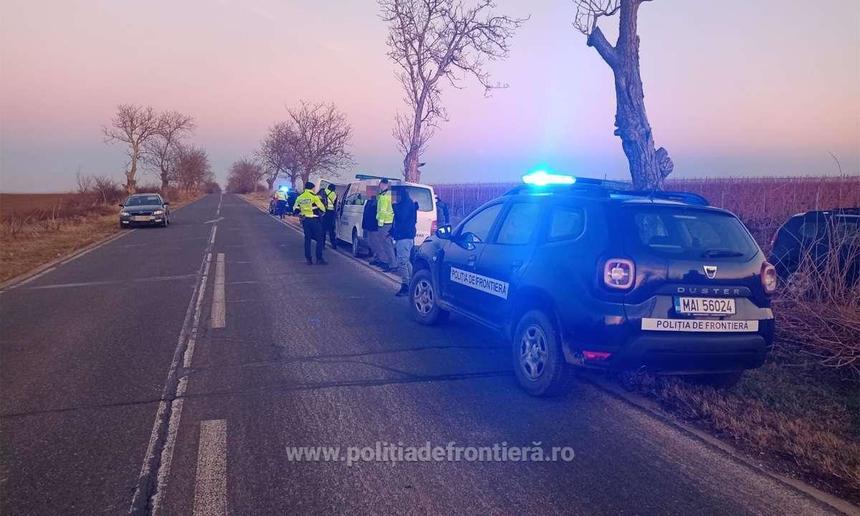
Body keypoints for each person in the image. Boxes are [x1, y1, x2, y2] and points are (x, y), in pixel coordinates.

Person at [293, 181, 328, 265]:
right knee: (320, 239)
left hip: (305, 220)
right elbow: (323, 208)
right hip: (314, 220)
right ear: (312, 188)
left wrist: (302, 212)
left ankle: (308, 259)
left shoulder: (300, 197)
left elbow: (295, 209)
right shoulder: (314, 197)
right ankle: (319, 258)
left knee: (307, 240)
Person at [391, 189, 418, 296]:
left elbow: (401, 218)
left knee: (402, 262)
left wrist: (394, 206)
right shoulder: (408, 204)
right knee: (406, 261)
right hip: (406, 236)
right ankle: (412, 282)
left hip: (404, 237)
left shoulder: (404, 205)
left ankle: (406, 285)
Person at [375, 178, 396, 271]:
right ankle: (390, 263)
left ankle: (392, 264)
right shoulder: (391, 195)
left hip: (384, 223)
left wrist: (380, 223)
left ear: (383, 185)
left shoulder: (384, 196)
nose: (380, 187)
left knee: (387, 244)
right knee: (388, 244)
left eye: (380, 185)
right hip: (390, 222)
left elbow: (382, 211)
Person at [361, 192, 383, 265]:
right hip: (369, 226)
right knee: (371, 243)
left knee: (376, 244)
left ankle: (379, 259)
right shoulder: (369, 202)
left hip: (375, 227)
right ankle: (376, 257)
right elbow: (365, 213)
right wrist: (364, 225)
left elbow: (379, 213)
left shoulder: (378, 201)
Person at [322, 184, 338, 249]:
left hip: (323, 213)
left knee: (323, 230)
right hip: (330, 213)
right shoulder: (333, 194)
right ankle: (333, 244)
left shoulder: (322, 191)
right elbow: (335, 204)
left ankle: (322, 245)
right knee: (331, 230)